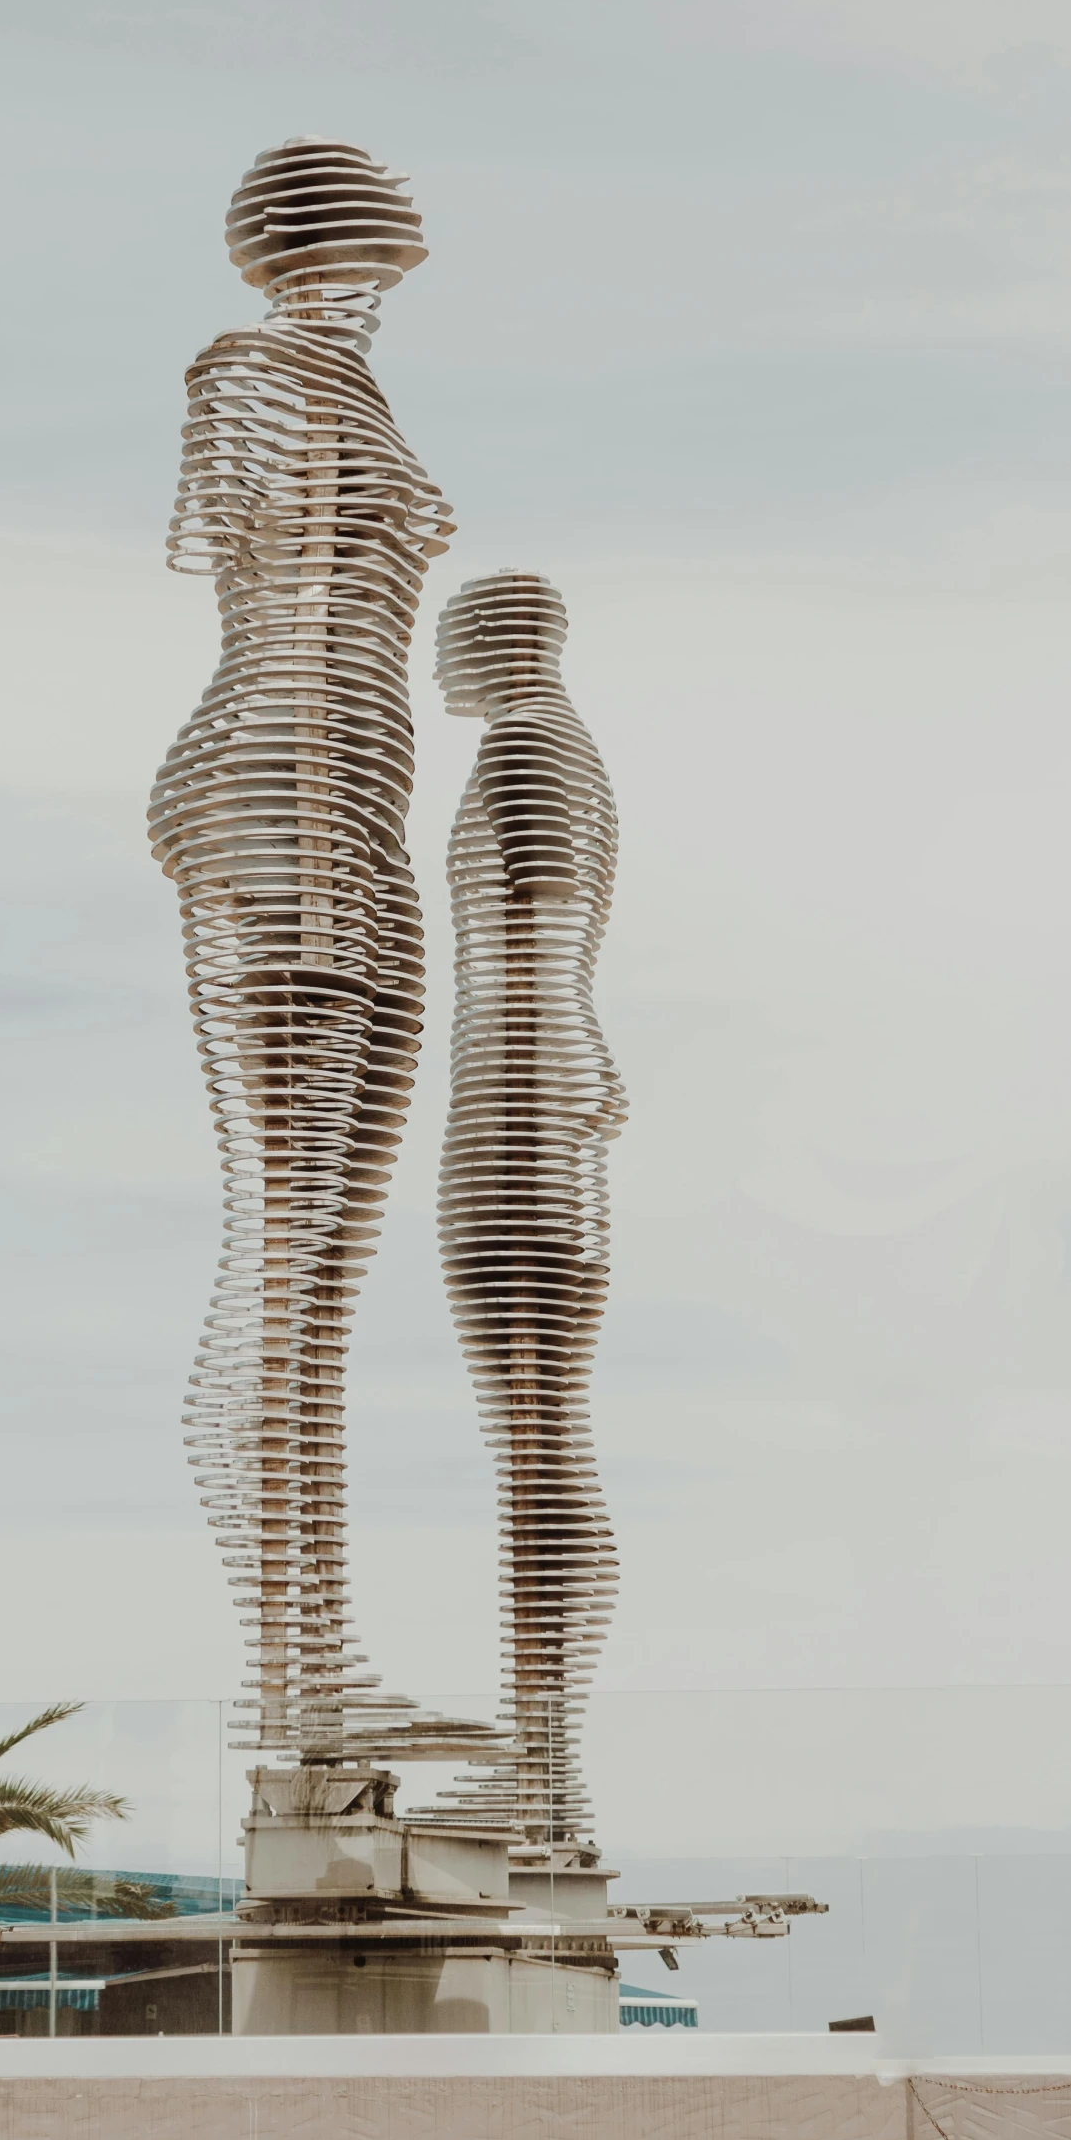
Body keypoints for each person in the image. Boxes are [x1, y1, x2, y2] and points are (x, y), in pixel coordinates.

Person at [149, 139, 452, 1753]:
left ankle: (321, 1657)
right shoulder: (256, 372)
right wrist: (326, 859)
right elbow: (267, 594)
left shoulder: (336, 384)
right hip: (288, 801)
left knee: (324, 1268)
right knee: (280, 1254)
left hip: (352, 807)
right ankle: (293, 1665)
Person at [433, 571, 627, 1844]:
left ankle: (545, 1756)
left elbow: (539, 943)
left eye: (449, 638)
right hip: (535, 1112)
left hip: (515, 1120)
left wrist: (543, 1102)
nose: (436, 666)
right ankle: (544, 1750)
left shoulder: (525, 748)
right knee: (542, 1435)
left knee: (539, 1438)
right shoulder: (566, 750)